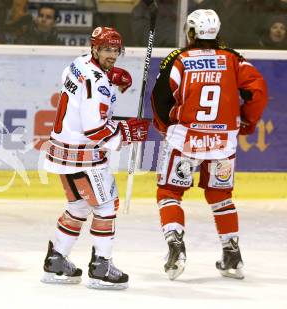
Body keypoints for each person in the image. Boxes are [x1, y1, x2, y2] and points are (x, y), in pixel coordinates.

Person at [151, 9, 268, 280]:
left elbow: (160, 97)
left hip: (186, 139)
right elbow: (258, 91)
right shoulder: (233, 60)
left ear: (191, 32)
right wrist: (247, 122)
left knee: (168, 192)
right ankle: (232, 255)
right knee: (220, 196)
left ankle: (175, 246)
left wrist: (165, 126)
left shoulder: (179, 59)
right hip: (222, 140)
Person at [41, 26, 150, 290]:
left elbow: (85, 87)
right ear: (95, 49)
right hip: (85, 156)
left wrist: (111, 75)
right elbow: (94, 129)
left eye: (115, 50)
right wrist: (125, 132)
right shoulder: (98, 83)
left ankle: (56, 260)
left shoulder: (77, 64)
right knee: (106, 207)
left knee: (79, 207)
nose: (112, 55)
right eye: (106, 50)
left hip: (62, 151)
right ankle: (101, 266)